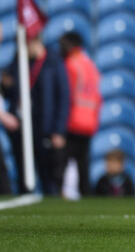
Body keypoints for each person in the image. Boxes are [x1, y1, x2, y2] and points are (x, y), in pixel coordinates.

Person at [2, 34, 70, 195]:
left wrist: (58, 130)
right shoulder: (18, 62)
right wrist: (5, 85)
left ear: (35, 42)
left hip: (44, 126)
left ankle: (52, 206)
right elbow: (11, 92)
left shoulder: (53, 62)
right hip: (21, 125)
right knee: (23, 170)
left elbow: (63, 97)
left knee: (48, 173)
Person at [59, 32, 102, 198]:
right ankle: (86, 197)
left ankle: (59, 195)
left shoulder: (70, 64)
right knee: (83, 165)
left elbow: (65, 95)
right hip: (89, 121)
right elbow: (97, 96)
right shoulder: (90, 64)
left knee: (62, 163)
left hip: (73, 120)